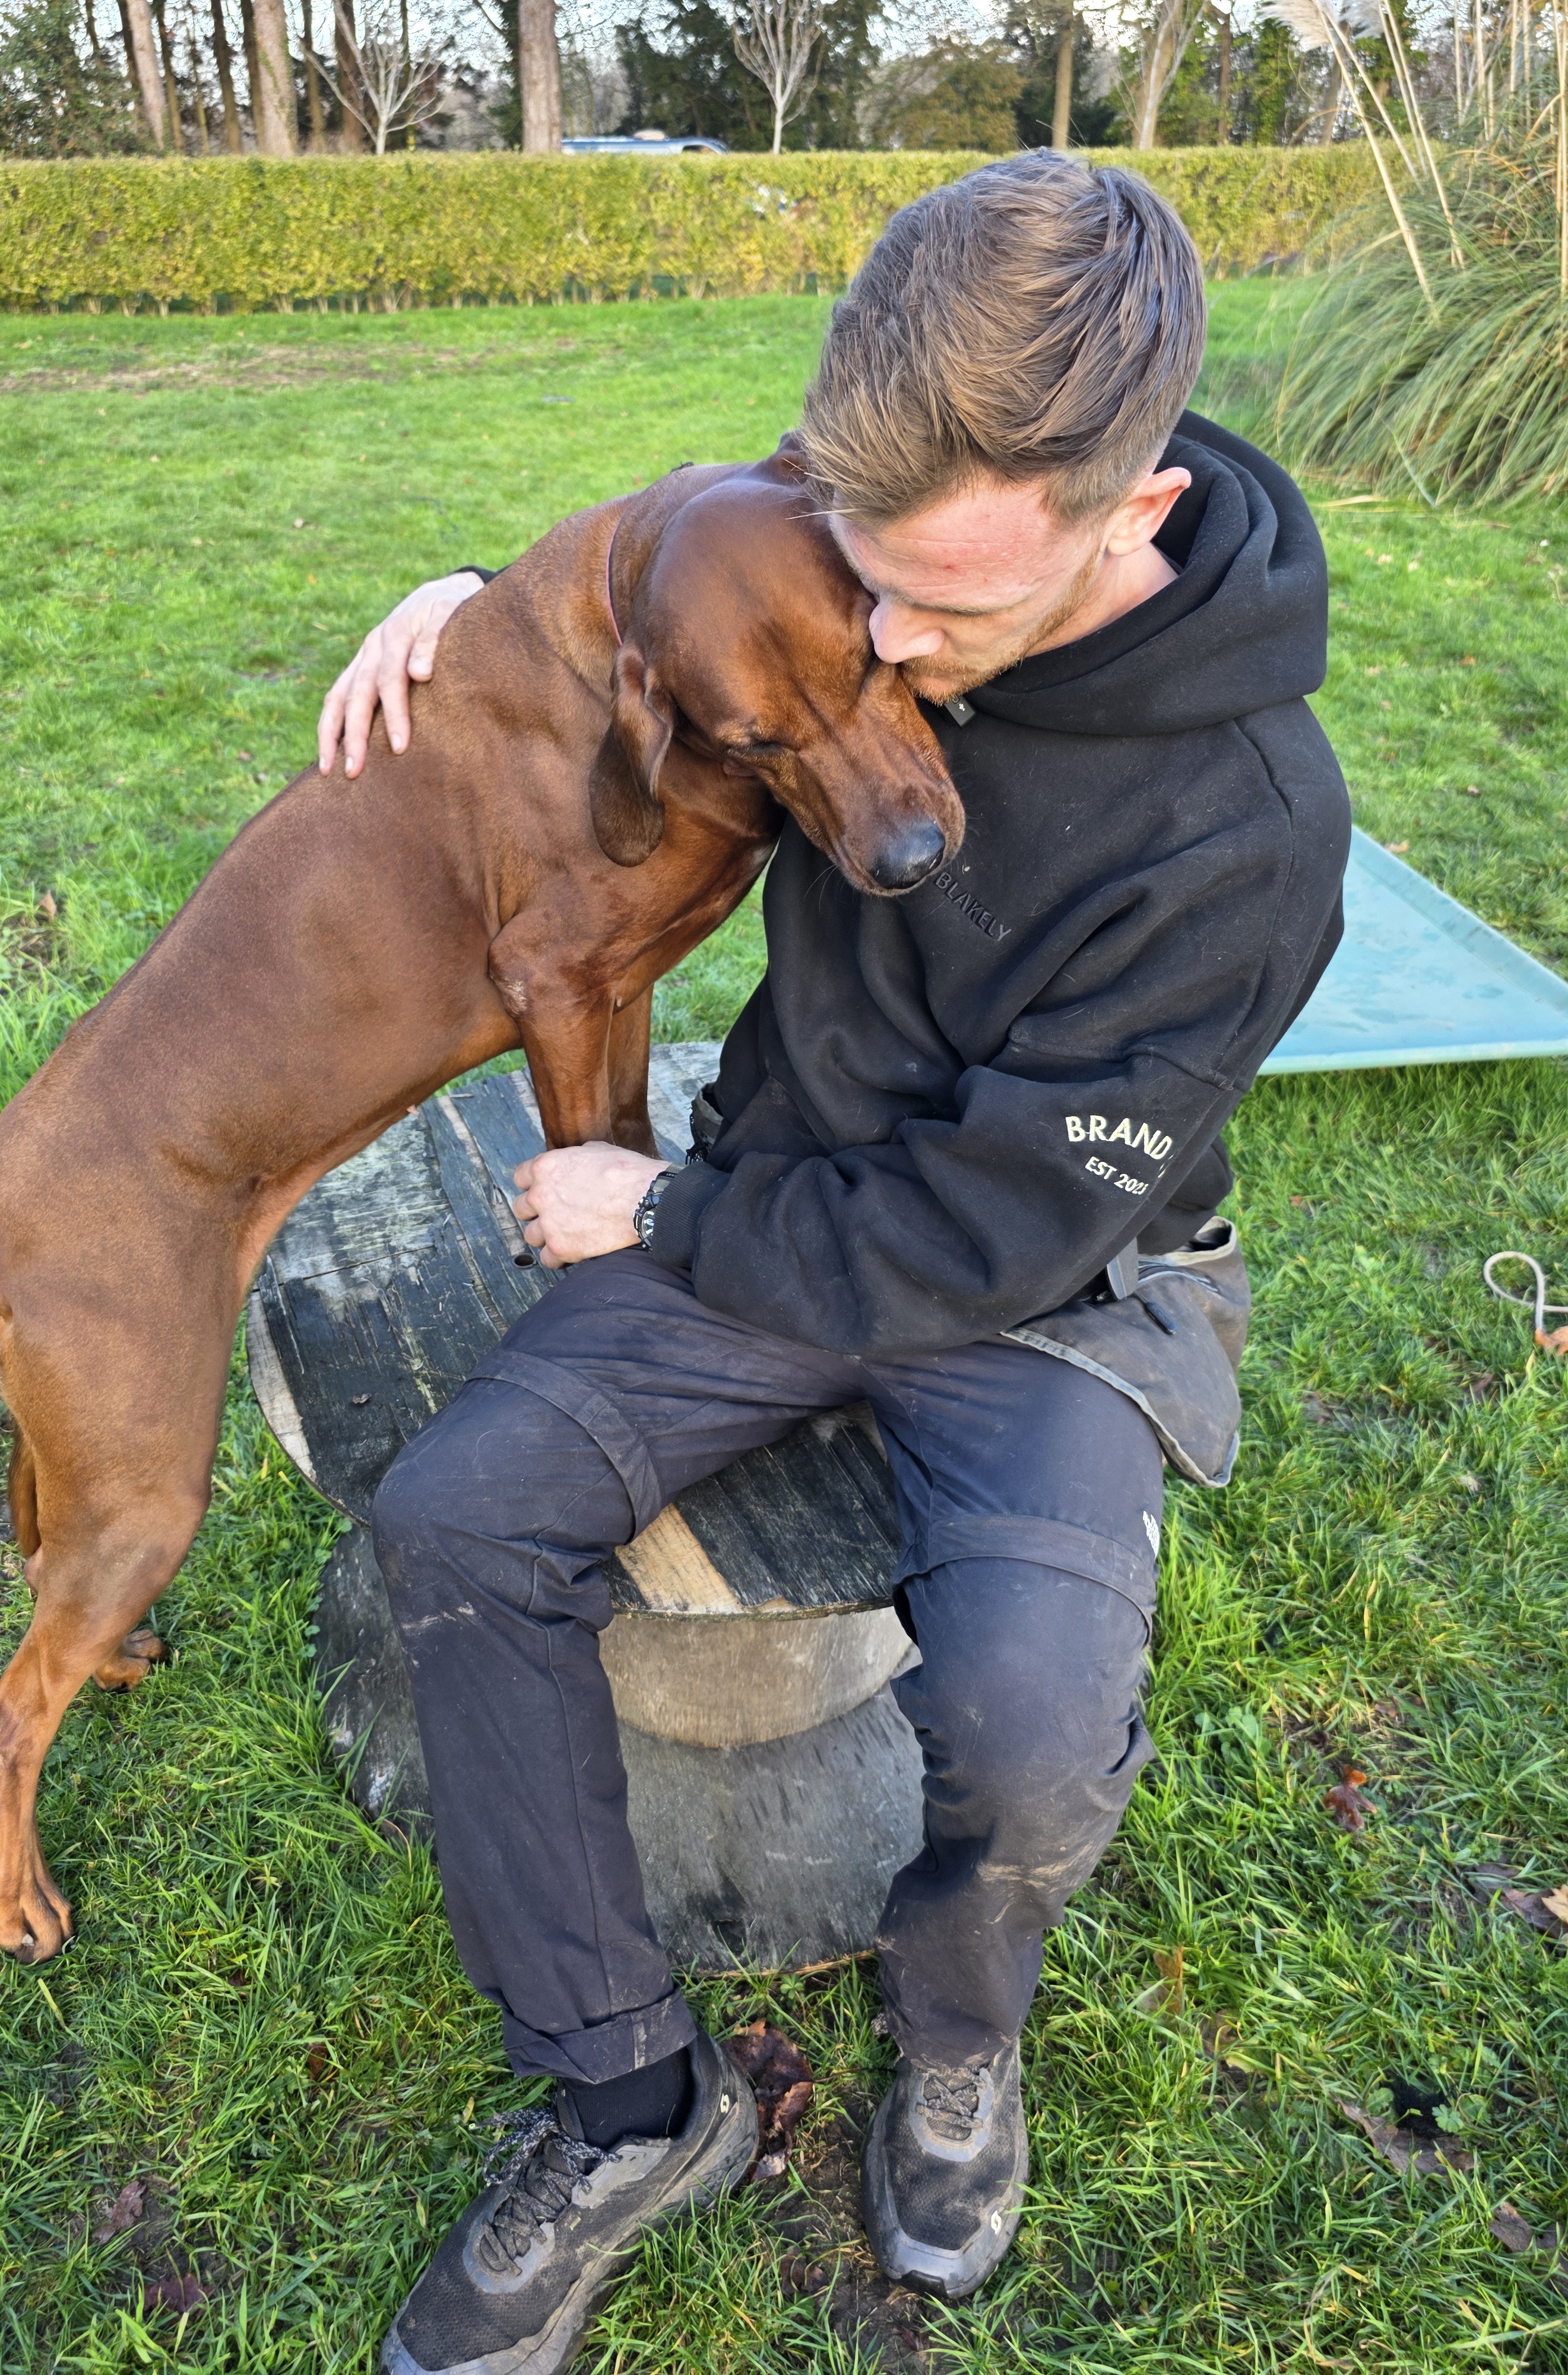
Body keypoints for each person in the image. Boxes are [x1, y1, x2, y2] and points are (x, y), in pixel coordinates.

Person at [319, 153, 1351, 2375]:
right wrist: (466, 617)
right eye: (860, 583)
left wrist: (665, 1212)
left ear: (1131, 511)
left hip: (1042, 1279)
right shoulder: (885, 523)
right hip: (774, 1185)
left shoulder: (1249, 828)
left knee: (1031, 1722)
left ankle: (954, 2035)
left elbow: (992, 1223)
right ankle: (627, 2098)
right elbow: (655, 576)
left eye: (941, 618)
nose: (880, 654)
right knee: (459, 1524)